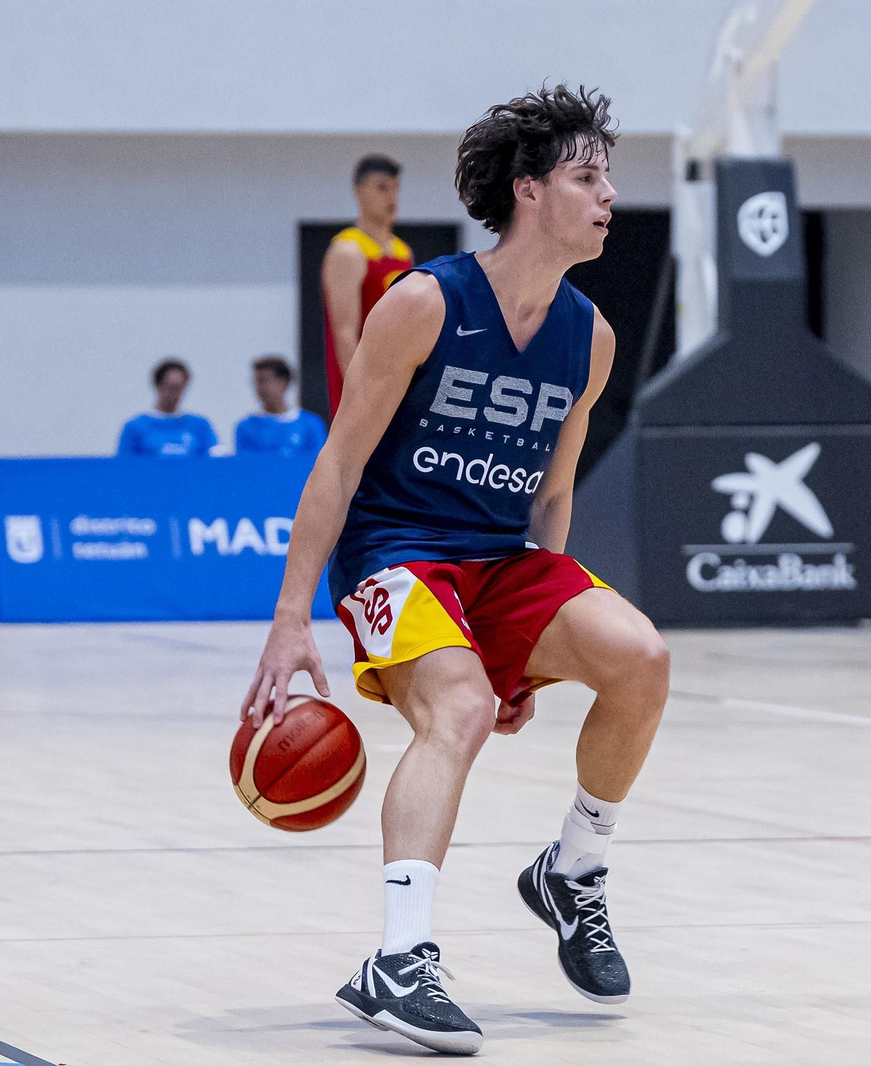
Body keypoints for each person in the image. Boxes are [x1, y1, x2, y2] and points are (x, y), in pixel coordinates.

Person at [242, 85, 667, 1056]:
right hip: (396, 552)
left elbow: (552, 497)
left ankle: (573, 867)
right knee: (460, 712)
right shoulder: (426, 302)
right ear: (527, 191)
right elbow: (339, 461)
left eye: (609, 179)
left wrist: (522, 651)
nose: (608, 197)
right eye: (586, 177)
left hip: (500, 560)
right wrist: (287, 616)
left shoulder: (588, 339)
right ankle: (399, 955)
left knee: (642, 658)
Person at [323, 154, 413, 414]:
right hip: (363, 388)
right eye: (382, 187)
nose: (391, 197)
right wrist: (361, 396)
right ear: (359, 192)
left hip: (396, 381)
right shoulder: (348, 251)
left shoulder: (402, 252)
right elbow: (344, 333)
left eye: (396, 188)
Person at [116, 358, 217, 458]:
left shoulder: (199, 426)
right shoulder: (136, 427)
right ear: (157, 385)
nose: (174, 394)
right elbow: (124, 465)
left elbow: (214, 458)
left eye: (179, 387)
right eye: (170, 387)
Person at [234, 355, 328, 458]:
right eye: (256, 381)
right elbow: (246, 465)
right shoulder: (246, 426)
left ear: (283, 382)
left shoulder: (311, 424)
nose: (259, 387)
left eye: (264, 380)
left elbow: (319, 462)